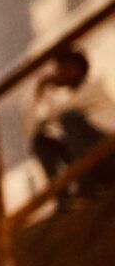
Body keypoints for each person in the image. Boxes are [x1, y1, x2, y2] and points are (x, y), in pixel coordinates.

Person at [28, 49, 115, 204]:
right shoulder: (66, 100)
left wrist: (45, 86)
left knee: (70, 119)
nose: (59, 73)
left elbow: (56, 114)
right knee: (41, 141)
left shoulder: (93, 88)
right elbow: (31, 128)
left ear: (78, 69)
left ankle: (86, 188)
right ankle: (62, 199)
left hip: (110, 156)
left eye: (65, 68)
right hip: (92, 162)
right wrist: (39, 94)